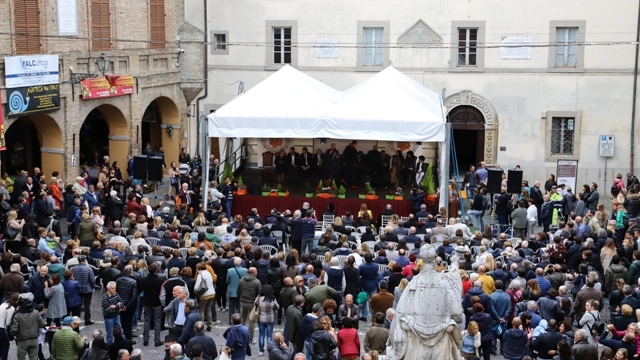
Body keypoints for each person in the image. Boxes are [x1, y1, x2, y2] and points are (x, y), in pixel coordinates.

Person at [387, 244, 463, 360]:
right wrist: (454, 264)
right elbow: (457, 313)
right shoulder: (444, 282)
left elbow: (400, 313)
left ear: (420, 260)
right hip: (441, 344)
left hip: (415, 345)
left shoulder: (413, 283)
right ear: (434, 259)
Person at [10, 294, 46, 360]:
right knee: (34, 358)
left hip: (22, 340)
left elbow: (14, 330)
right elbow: (42, 323)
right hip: (34, 340)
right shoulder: (36, 313)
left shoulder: (17, 315)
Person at [72, 255, 96, 326]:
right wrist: (92, 287)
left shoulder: (73, 269)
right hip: (87, 289)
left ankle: (77, 320)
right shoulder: (88, 269)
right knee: (87, 305)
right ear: (85, 260)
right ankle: (87, 319)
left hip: (77, 289)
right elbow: (92, 280)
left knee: (78, 305)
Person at [256, 284, 279, 355]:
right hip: (270, 319)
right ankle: (270, 349)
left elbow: (255, 305)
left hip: (261, 319)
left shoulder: (259, 298)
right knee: (269, 335)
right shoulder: (273, 299)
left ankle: (261, 350)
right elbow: (277, 307)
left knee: (261, 334)